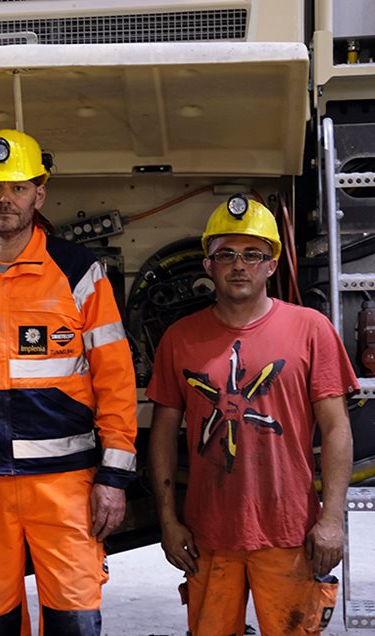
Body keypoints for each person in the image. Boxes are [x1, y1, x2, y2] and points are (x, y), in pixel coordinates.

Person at [0, 130, 138, 634]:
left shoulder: (78, 271)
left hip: (65, 487)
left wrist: (113, 478)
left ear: (39, 194)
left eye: (17, 188)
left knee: (75, 622)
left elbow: (116, 381)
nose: (5, 199)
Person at [147, 194, 356, 635]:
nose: (238, 265)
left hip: (288, 533)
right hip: (209, 536)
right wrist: (168, 521)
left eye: (252, 254)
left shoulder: (310, 329)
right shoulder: (179, 338)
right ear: (208, 265)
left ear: (272, 264)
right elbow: (162, 435)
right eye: (226, 254)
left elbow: (337, 428)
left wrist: (332, 519)